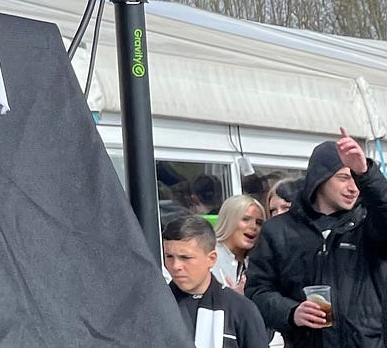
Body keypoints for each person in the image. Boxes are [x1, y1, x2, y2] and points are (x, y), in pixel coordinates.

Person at [247, 129, 387, 347]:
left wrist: (366, 173)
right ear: (318, 179)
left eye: (356, 180)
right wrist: (291, 312)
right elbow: (257, 291)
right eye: (343, 178)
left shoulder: (369, 224)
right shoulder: (279, 230)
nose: (353, 188)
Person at [164, 213, 270, 348]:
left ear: (212, 259)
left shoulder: (241, 309)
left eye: (185, 257)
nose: (175, 266)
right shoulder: (155, 306)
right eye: (169, 256)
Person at [214, 194, 267, 291]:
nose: (254, 227)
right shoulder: (207, 256)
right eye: (245, 219)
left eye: (259, 222)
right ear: (228, 220)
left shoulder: (258, 262)